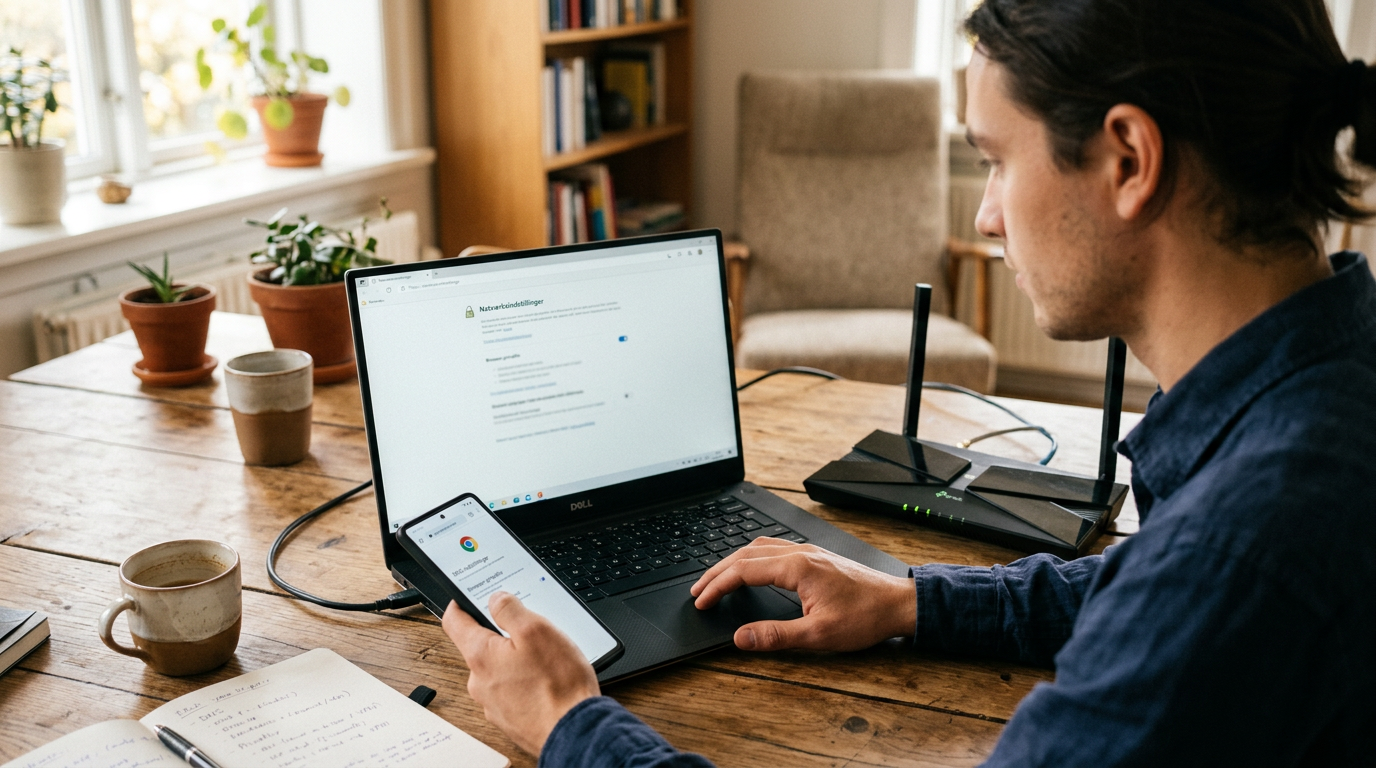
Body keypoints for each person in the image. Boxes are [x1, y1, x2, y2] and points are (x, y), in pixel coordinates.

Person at [442, 0, 1376, 764]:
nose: (987, 215)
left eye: (996, 161)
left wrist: (574, 726)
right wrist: (912, 600)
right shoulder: (1321, 392)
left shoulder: (1252, 540)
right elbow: (1140, 590)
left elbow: (1196, 590)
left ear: (1129, 160)